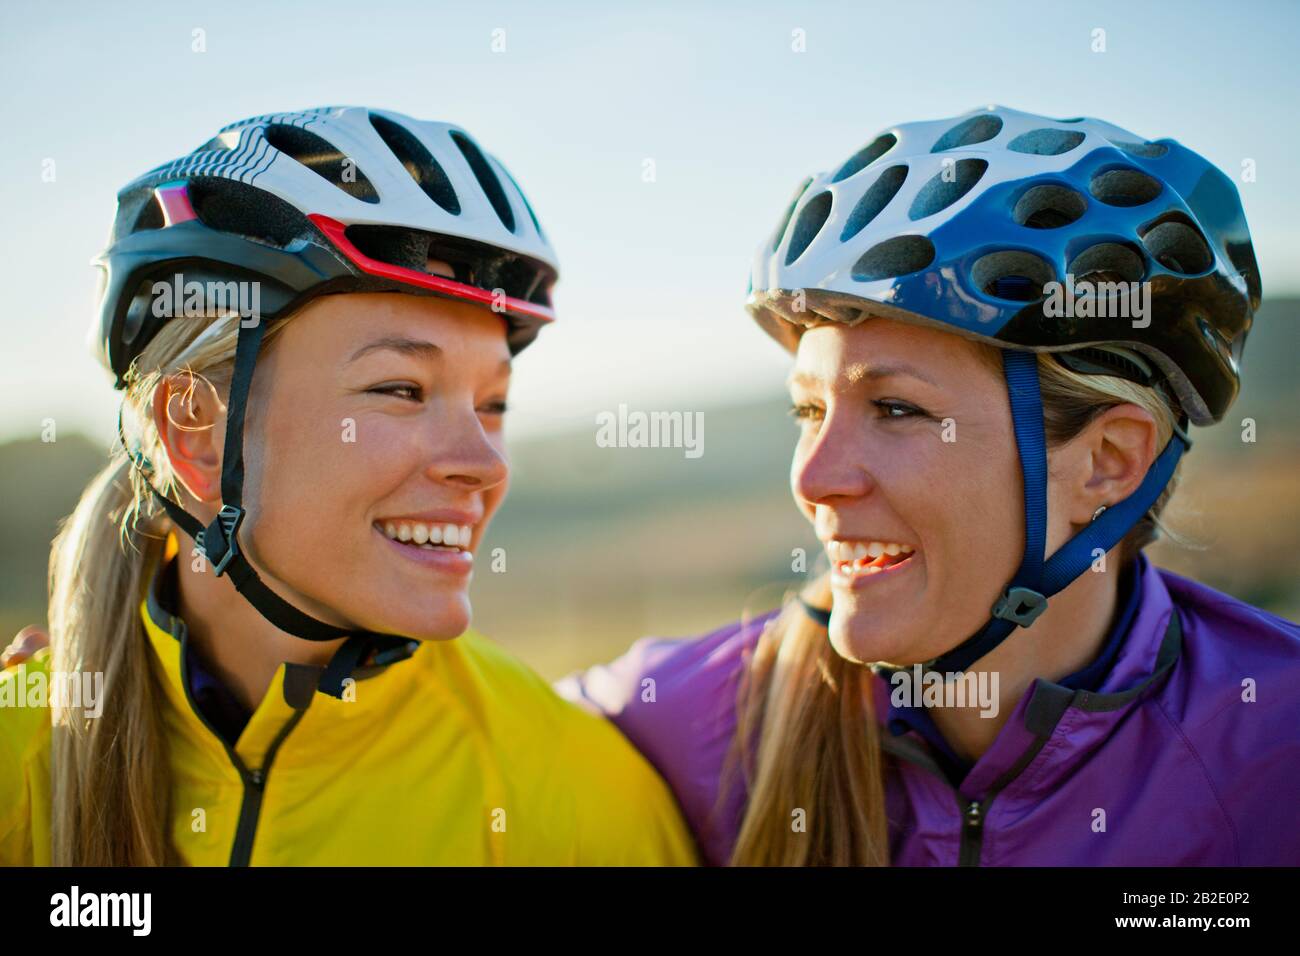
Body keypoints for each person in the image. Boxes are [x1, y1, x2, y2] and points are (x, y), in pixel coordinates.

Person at [557, 106, 1300, 866]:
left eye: (897, 409)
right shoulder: (697, 718)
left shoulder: (1277, 746)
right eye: (809, 410)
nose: (814, 479)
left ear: (1108, 461)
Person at [0, 106, 697, 866]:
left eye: (492, 405)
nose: (486, 463)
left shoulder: (579, 800)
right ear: (197, 432)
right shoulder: (17, 756)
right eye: (400, 388)